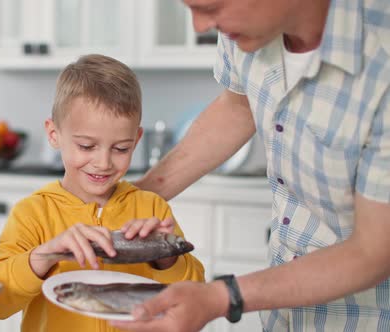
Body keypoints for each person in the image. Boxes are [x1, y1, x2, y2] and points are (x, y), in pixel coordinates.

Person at [111, 0, 390, 331]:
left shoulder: (381, 58)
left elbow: (373, 251)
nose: (200, 26)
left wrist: (219, 297)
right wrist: (133, 198)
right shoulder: (244, 30)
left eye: (210, 6)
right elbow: (239, 104)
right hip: (282, 311)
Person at [0, 54, 205, 332]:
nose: (103, 163)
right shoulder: (33, 213)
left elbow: (195, 297)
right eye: (86, 146)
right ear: (53, 134)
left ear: (137, 140)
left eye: (121, 148)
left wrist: (165, 255)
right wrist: (42, 256)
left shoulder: (151, 208)